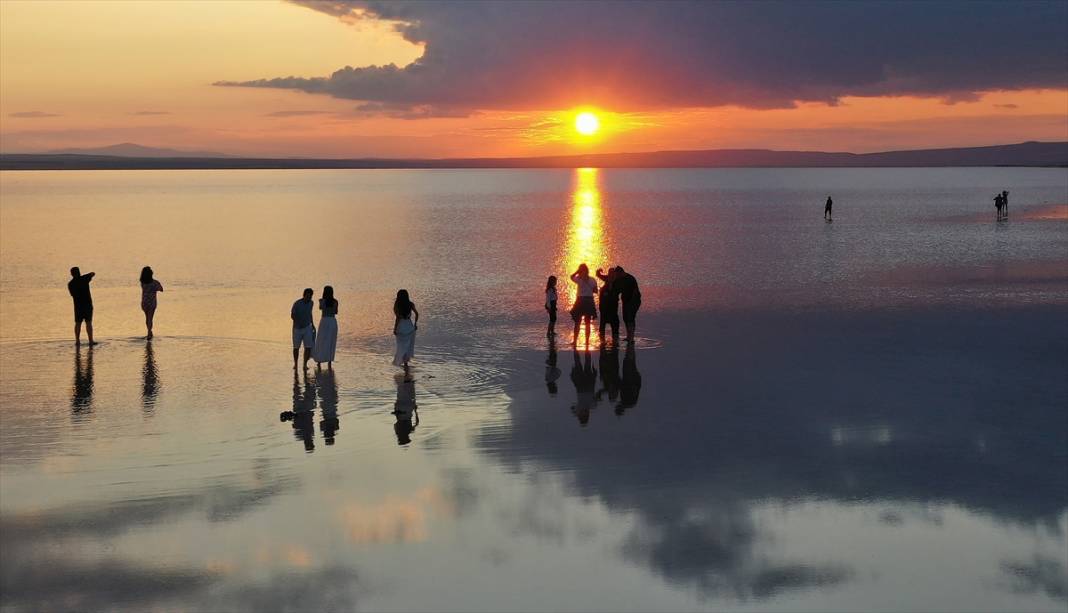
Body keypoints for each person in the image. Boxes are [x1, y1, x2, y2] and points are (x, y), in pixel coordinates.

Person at [569, 263, 598, 346]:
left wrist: (577, 272)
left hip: (580, 301)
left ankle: (575, 341)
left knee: (577, 322)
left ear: (580, 271)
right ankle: (587, 342)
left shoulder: (578, 279)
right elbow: (596, 291)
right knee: (587, 322)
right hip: (589, 301)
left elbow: (571, 276)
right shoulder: (592, 280)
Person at [613, 266, 642, 342]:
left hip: (634, 301)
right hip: (625, 301)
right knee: (625, 318)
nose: (616, 276)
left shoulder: (630, 279)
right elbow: (615, 289)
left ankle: (631, 337)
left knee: (630, 318)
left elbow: (636, 292)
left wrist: (632, 304)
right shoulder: (618, 279)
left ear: (621, 272)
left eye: (617, 274)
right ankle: (628, 336)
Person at [67, 267, 96, 345]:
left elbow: (72, 295)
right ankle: (90, 341)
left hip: (78, 306)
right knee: (89, 323)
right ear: (79, 272)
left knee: (78, 323)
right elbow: (93, 273)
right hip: (88, 305)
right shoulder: (84, 279)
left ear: (71, 274)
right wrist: (86, 276)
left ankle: (77, 341)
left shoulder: (70, 284)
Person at [312, 286, 338, 368]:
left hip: (324, 321)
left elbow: (320, 308)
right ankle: (329, 361)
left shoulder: (322, 301)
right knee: (331, 341)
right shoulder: (335, 301)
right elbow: (336, 311)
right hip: (332, 321)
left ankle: (319, 361)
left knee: (321, 340)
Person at [393, 289, 419, 369]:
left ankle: (403, 362)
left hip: (401, 327)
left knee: (401, 346)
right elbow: (417, 314)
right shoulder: (410, 304)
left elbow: (397, 318)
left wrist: (395, 328)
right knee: (408, 345)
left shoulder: (397, 305)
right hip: (409, 327)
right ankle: (405, 363)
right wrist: (415, 324)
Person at [291, 288, 315, 369]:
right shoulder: (297, 303)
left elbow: (310, 313)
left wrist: (313, 324)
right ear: (304, 295)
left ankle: (305, 364)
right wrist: (298, 321)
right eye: (308, 296)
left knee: (308, 347)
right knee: (296, 347)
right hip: (297, 328)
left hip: (307, 327)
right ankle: (296, 364)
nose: (309, 298)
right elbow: (292, 315)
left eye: (311, 296)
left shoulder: (311, 303)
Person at [392, 372, 419, 445]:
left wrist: (415, 410)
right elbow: (397, 421)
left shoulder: (409, 430)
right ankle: (404, 374)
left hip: (408, 409)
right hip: (401, 408)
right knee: (401, 392)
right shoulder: (398, 431)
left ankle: (408, 377)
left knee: (408, 392)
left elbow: (417, 423)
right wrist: (396, 409)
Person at [596, 267, 620, 342]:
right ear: (608, 274)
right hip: (604, 307)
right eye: (610, 273)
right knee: (603, 323)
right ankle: (601, 340)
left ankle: (615, 340)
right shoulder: (606, 278)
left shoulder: (617, 282)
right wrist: (598, 271)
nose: (611, 275)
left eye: (613, 273)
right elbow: (598, 275)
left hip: (613, 307)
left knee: (615, 323)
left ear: (615, 274)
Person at [139, 266, 163, 339]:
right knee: (150, 318)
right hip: (152, 303)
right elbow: (161, 289)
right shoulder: (155, 282)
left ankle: (149, 331)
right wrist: (157, 287)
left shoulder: (142, 283)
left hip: (144, 302)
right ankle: (149, 332)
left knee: (147, 318)